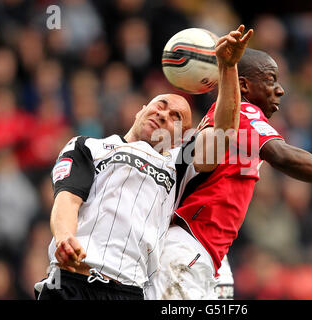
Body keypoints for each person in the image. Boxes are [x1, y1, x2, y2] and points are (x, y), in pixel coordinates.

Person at [145, 48, 312, 300]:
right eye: (270, 80)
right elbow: (283, 156)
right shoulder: (242, 112)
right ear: (243, 86)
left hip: (201, 251)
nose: (280, 89)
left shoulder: (226, 121)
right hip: (190, 248)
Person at [34, 25, 253, 300]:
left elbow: (223, 135)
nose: (164, 114)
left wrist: (228, 67)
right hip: (72, 278)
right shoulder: (89, 147)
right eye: (160, 105)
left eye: (176, 117)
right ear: (140, 109)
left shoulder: (179, 163)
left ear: (181, 139)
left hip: (130, 290)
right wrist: (65, 236)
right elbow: (67, 200)